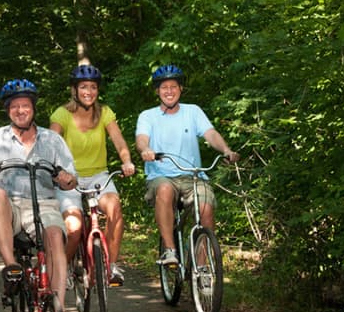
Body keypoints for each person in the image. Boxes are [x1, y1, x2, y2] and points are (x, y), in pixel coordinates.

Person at [0, 79, 78, 312]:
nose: (20, 111)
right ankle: (11, 266)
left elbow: (71, 179)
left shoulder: (52, 140)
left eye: (25, 105)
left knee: (56, 236)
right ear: (7, 110)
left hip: (44, 203)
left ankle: (58, 309)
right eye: (14, 106)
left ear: (33, 109)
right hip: (8, 207)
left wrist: (66, 179)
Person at [135, 65, 239, 266]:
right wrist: (146, 150)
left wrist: (226, 150)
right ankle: (170, 250)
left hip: (193, 176)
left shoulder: (193, 111)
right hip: (161, 175)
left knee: (206, 208)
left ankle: (203, 267)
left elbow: (211, 134)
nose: (169, 91)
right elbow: (141, 138)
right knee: (164, 190)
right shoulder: (148, 116)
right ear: (157, 91)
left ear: (180, 88)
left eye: (173, 86)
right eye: (164, 87)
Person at [49, 64, 136, 287]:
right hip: (69, 179)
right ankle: (64, 268)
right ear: (75, 90)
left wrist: (126, 161)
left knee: (115, 209)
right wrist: (58, 172)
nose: (89, 91)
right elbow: (50, 145)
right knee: (74, 228)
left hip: (99, 176)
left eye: (93, 87)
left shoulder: (104, 113)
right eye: (84, 87)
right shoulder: (62, 114)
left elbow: (118, 140)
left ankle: (110, 266)